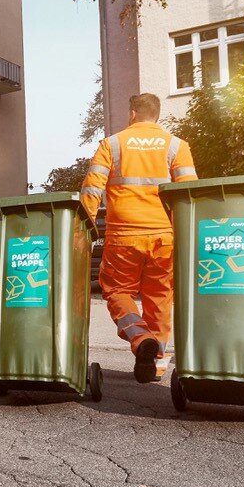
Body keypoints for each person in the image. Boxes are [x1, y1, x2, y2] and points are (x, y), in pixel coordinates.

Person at [79, 93, 197, 382]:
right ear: (157, 114)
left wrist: (83, 230)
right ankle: (156, 363)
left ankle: (140, 338)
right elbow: (189, 195)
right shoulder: (177, 145)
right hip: (164, 237)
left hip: (124, 235)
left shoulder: (112, 144)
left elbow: (92, 189)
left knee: (117, 291)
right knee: (159, 298)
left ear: (132, 113)